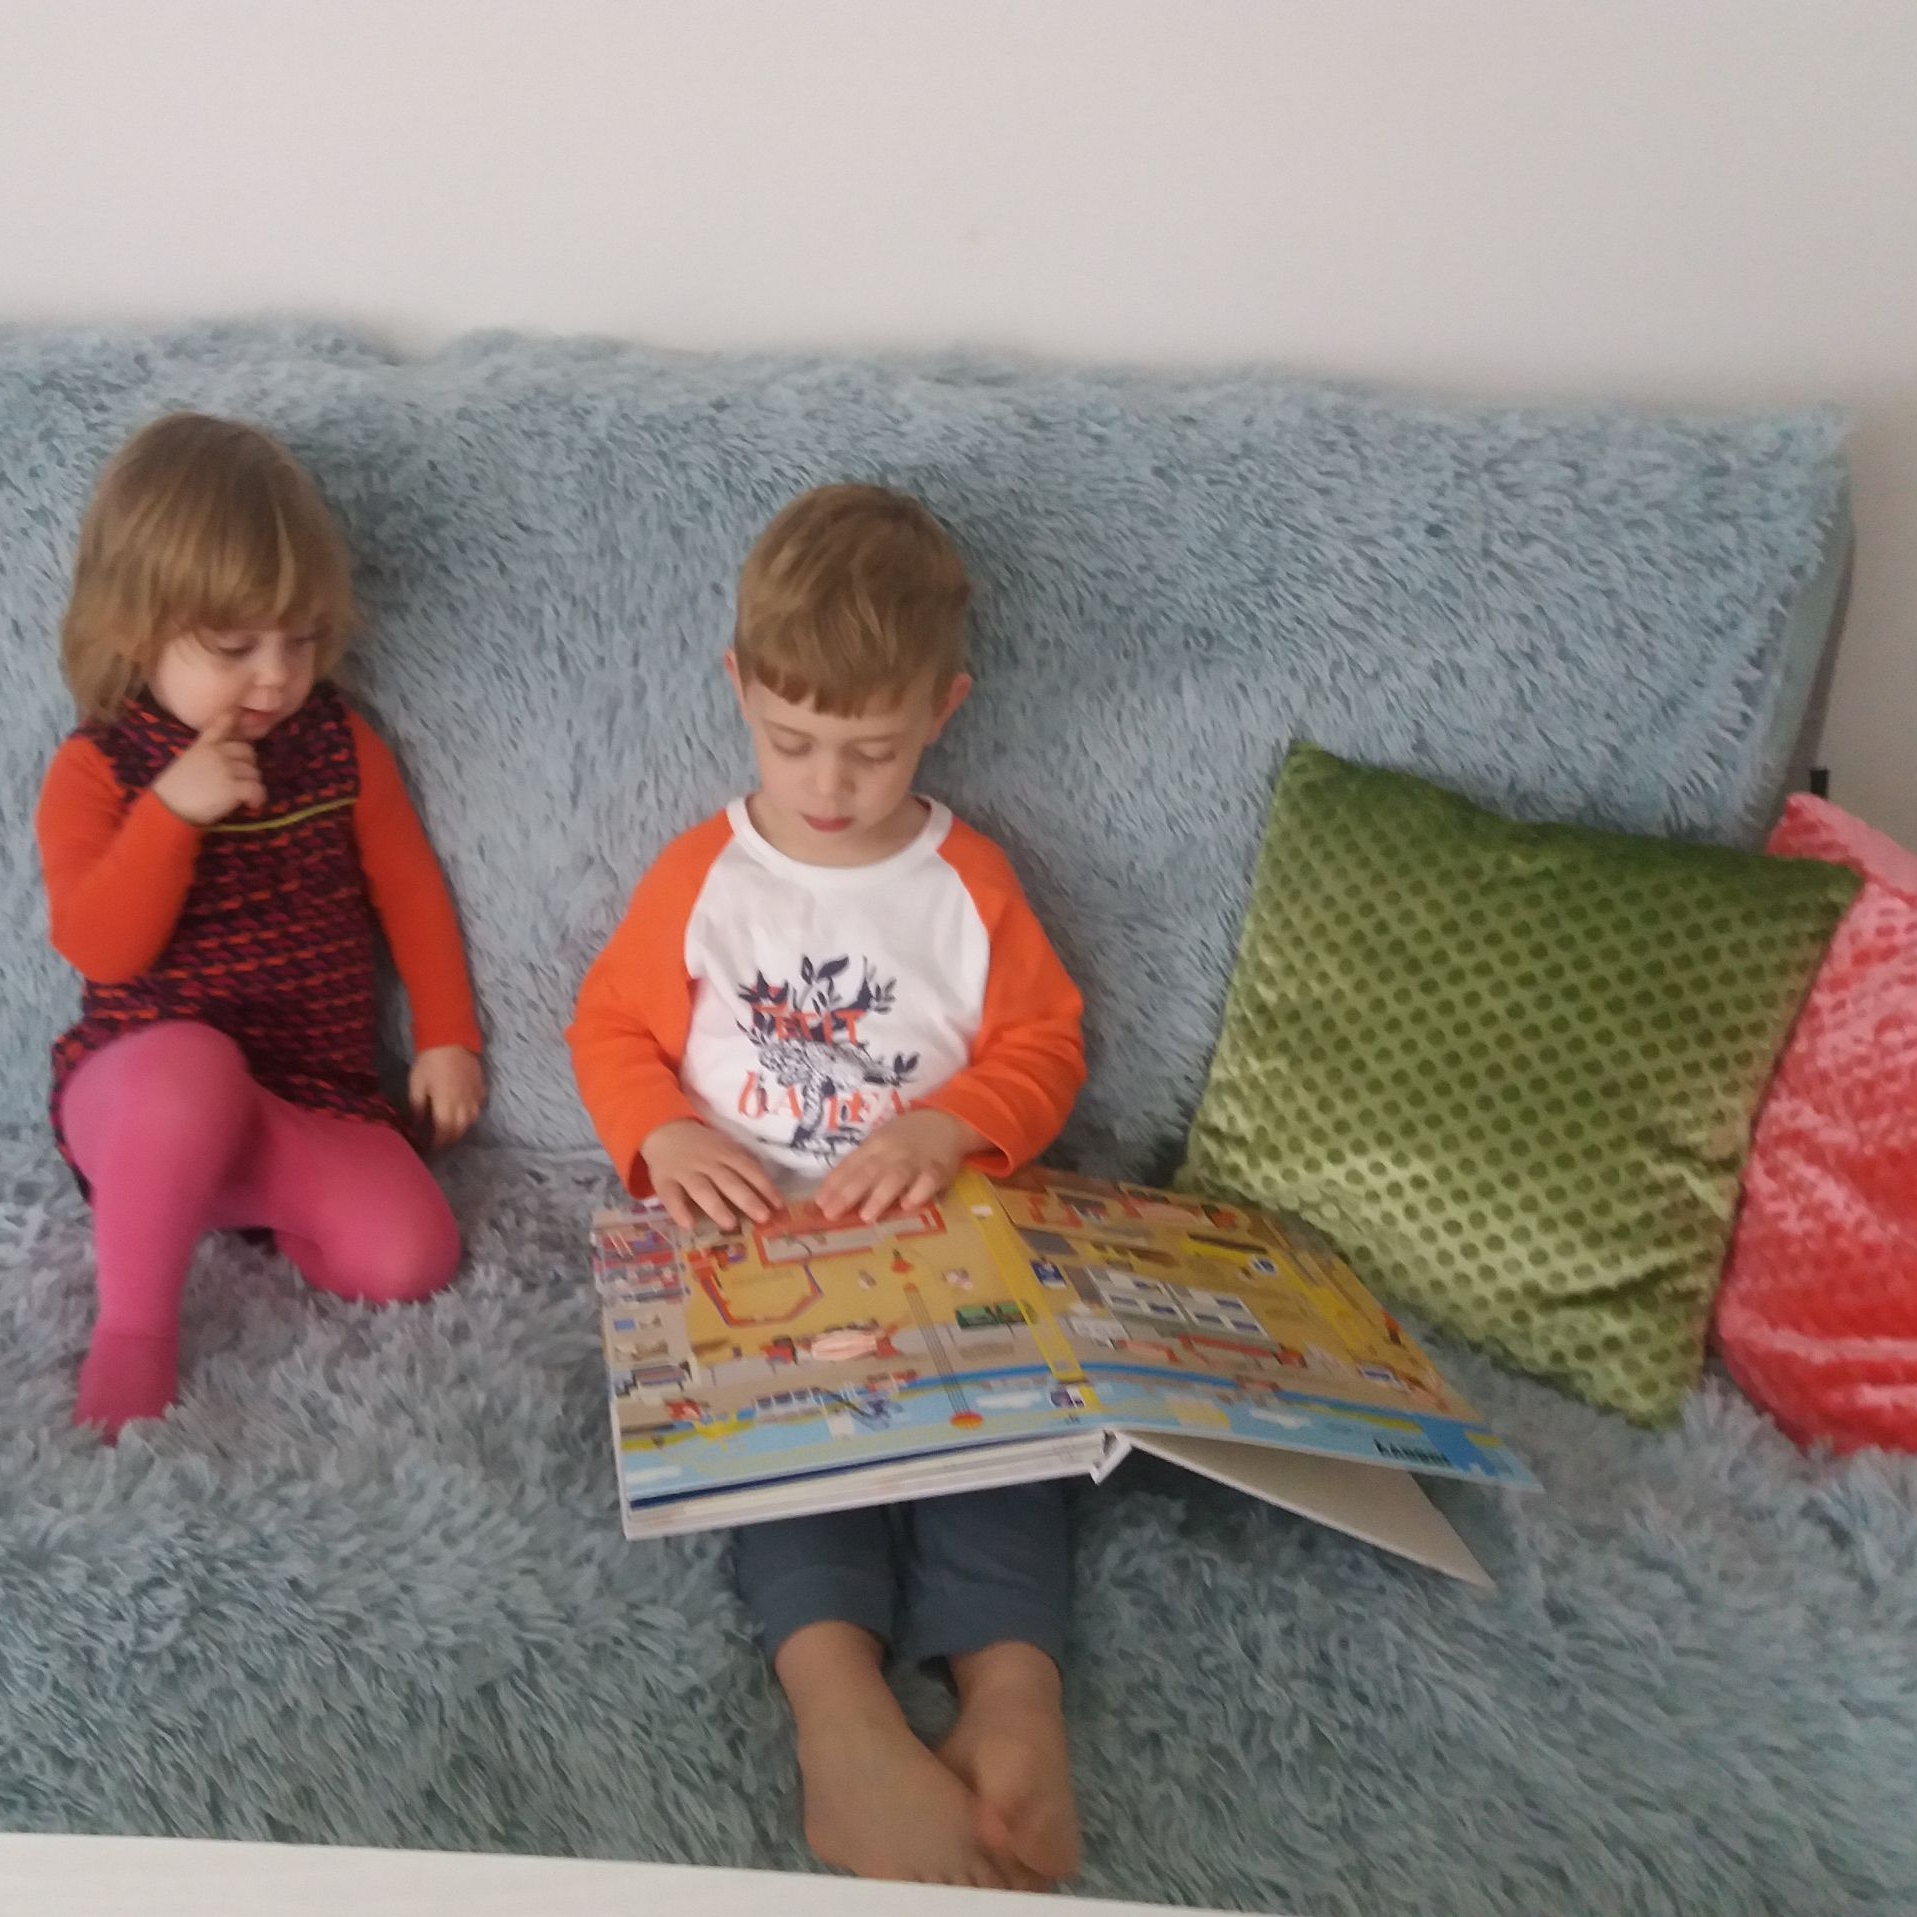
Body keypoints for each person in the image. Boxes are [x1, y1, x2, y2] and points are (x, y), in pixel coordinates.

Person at [569, 484, 1085, 1889]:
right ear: (738, 686)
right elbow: (608, 1028)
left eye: (872, 749)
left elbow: (1047, 1045)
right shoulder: (706, 874)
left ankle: (1013, 1693)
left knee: (1011, 1449)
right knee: (787, 1463)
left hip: (937, 1234)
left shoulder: (968, 882)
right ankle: (837, 1708)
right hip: (755, 1245)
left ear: (945, 710)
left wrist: (954, 1125)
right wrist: (663, 1135)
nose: (830, 785)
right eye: (791, 740)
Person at [36, 412, 486, 1437]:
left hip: (301, 1099)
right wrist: (170, 816)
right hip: (136, 1092)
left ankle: (235, 1195)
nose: (277, 676)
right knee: (188, 1073)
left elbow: (411, 890)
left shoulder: (339, 747)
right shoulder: (98, 769)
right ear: (133, 630)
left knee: (413, 1253)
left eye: (303, 638)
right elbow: (102, 948)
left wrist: (448, 1037)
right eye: (234, 647)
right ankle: (135, 1329)